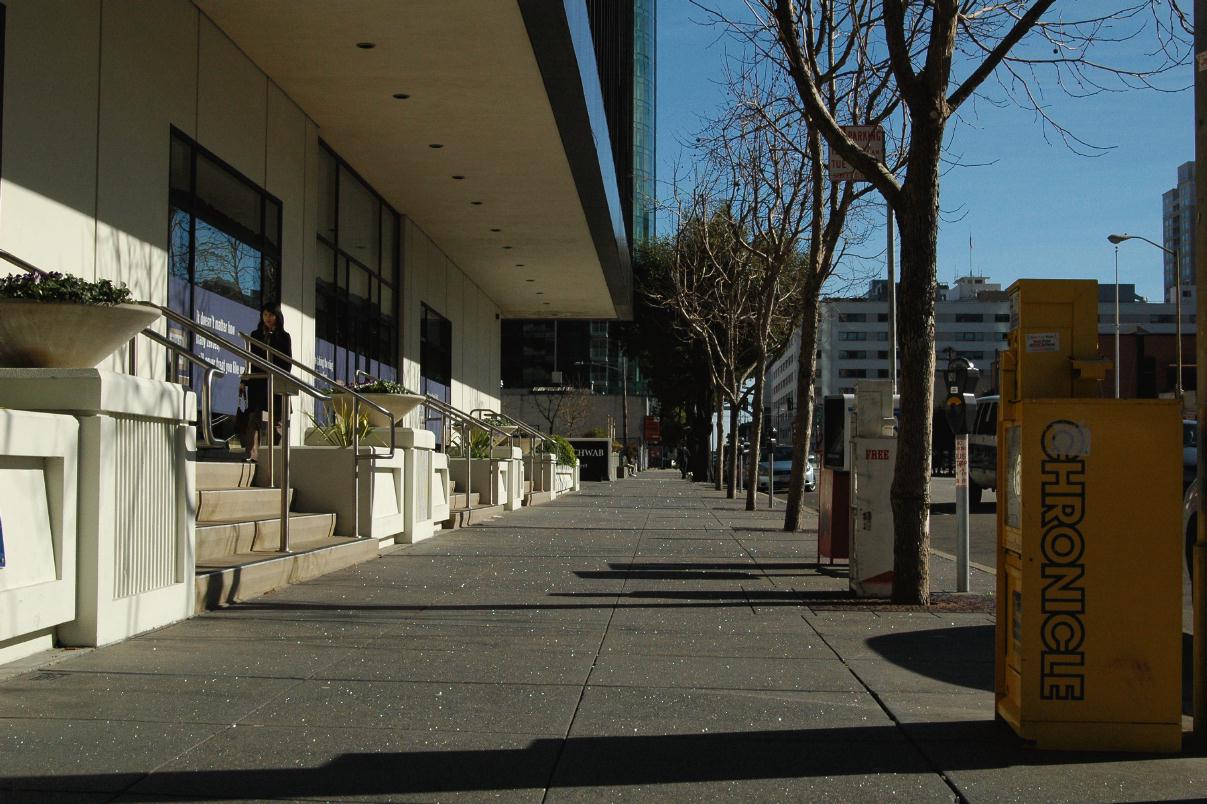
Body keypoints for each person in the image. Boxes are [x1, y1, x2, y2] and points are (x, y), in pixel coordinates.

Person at [239, 301, 293, 463]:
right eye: (265, 315)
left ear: (278, 317)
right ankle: (252, 455)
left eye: (271, 315)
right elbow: (250, 359)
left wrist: (277, 374)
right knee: (253, 419)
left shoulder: (284, 336)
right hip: (258, 382)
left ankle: (274, 457)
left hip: (276, 382)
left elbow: (287, 362)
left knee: (277, 422)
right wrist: (244, 381)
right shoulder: (255, 335)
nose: (268, 318)